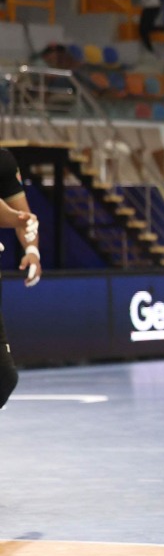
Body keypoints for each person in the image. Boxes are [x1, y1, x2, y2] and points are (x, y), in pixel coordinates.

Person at [0, 148, 40, 413]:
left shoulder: (3, 161)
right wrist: (17, 218)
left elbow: (20, 213)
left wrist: (32, 251)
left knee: (4, 377)